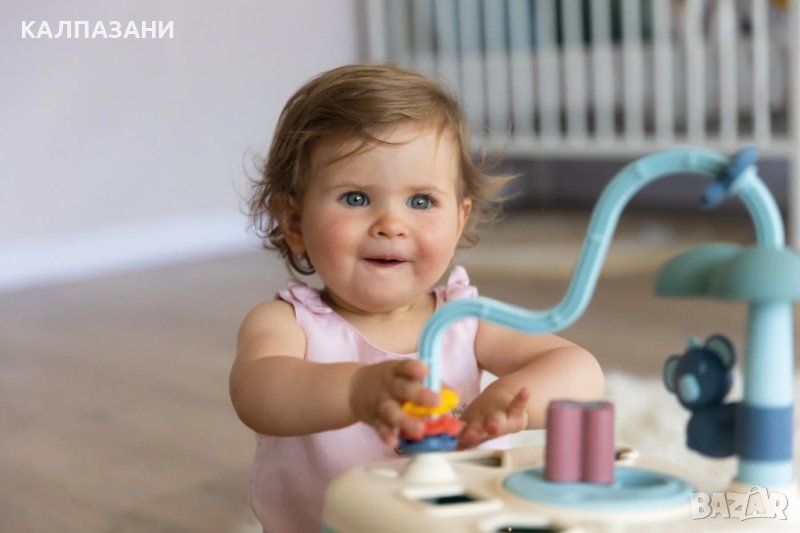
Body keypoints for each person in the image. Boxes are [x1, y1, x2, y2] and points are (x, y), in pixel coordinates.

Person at [229, 63, 605, 533]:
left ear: (459, 221)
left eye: (421, 201)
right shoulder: (287, 323)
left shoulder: (462, 318)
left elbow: (581, 371)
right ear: (295, 221)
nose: (392, 224)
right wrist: (356, 391)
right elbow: (258, 393)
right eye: (356, 198)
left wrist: (509, 400)